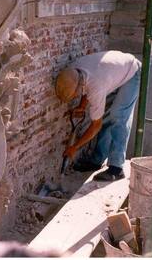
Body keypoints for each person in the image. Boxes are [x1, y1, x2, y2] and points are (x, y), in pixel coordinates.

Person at [55, 50, 141, 181]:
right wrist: (82, 106)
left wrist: (75, 147)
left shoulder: (96, 87)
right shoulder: (74, 71)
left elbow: (96, 126)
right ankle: (96, 161)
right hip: (112, 73)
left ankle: (116, 168)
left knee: (118, 116)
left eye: (74, 95)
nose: (75, 97)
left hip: (132, 71)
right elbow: (84, 86)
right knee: (106, 117)